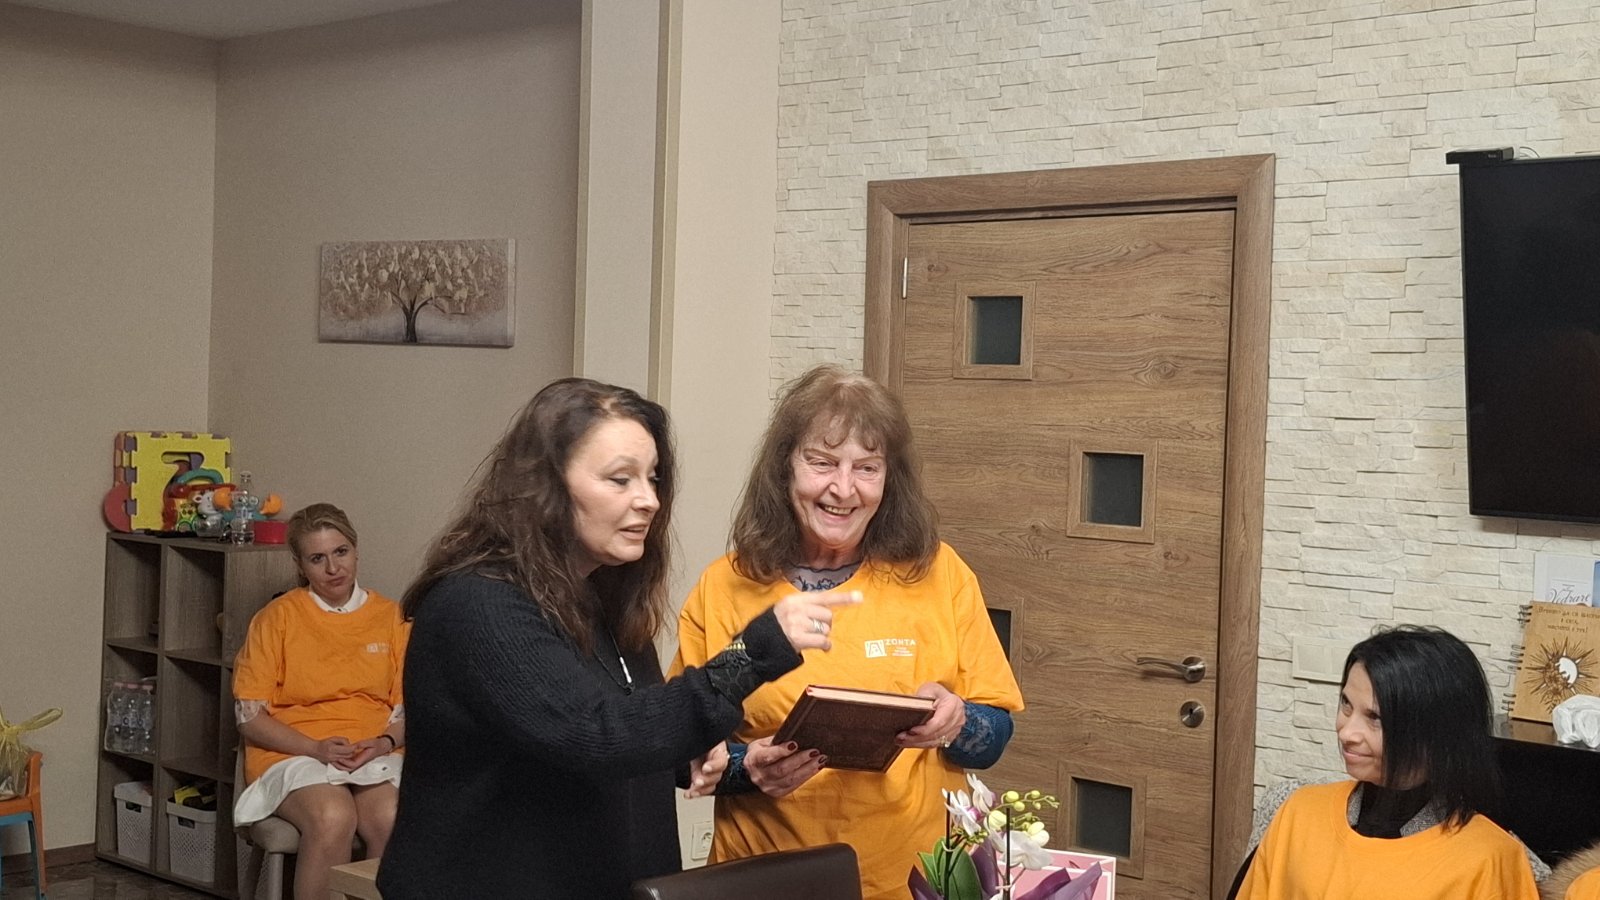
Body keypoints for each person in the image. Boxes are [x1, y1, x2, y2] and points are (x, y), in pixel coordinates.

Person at [376, 377, 858, 900]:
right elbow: (595, 735)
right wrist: (753, 651)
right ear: (545, 486)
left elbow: (630, 733)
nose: (649, 500)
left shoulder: (601, 597)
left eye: (653, 478)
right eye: (620, 479)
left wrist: (731, 765)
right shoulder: (479, 603)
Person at [670, 365, 1025, 900]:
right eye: (821, 462)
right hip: (765, 879)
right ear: (784, 469)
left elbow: (994, 737)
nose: (843, 488)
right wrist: (748, 770)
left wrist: (958, 721)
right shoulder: (724, 586)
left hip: (912, 880)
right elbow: (677, 751)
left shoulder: (939, 573)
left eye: (866, 468)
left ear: (889, 481)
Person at [1232, 625, 1539, 900]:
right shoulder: (1298, 812)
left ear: (1436, 733)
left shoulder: (1489, 861)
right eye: (1346, 704)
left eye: (1375, 717)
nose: (1346, 732)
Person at [233, 503, 409, 900]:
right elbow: (249, 717)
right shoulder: (276, 618)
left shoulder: (392, 617)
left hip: (372, 752)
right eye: (317, 558)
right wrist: (315, 749)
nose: (333, 568)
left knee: (391, 816)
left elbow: (409, 708)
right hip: (294, 752)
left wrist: (383, 743)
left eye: (340, 552)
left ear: (356, 550)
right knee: (334, 815)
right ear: (300, 565)